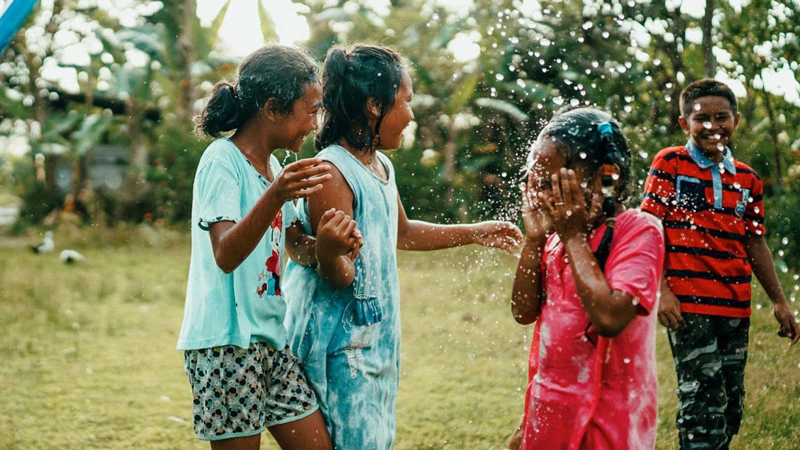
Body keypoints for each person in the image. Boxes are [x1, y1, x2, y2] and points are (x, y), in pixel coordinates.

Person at [282, 44, 523, 450]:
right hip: (340, 347)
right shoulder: (332, 172)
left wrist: (475, 231)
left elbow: (403, 232)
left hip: (373, 336)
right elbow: (338, 275)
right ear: (375, 105)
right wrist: (328, 254)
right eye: (405, 102)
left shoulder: (379, 165)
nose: (411, 115)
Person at [176, 44, 340, 450]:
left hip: (271, 340)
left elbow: (292, 248)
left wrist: (327, 245)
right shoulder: (222, 161)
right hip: (225, 345)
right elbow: (226, 254)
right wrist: (276, 196)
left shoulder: (276, 170)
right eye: (311, 109)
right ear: (272, 108)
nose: (315, 123)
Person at [641, 78, 800, 450]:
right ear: (685, 124)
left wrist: (779, 301)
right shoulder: (670, 163)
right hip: (689, 306)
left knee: (730, 406)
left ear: (737, 120)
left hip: (735, 307)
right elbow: (649, 230)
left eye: (722, 117)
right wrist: (662, 290)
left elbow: (755, 241)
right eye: (702, 118)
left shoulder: (748, 180)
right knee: (702, 403)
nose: (713, 126)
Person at [511, 108, 664, 449]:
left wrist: (574, 238)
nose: (540, 194)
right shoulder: (555, 238)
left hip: (610, 421)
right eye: (536, 181)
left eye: (553, 183)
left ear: (605, 178)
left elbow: (610, 318)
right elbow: (523, 311)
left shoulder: (638, 231)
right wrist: (534, 240)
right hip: (550, 410)